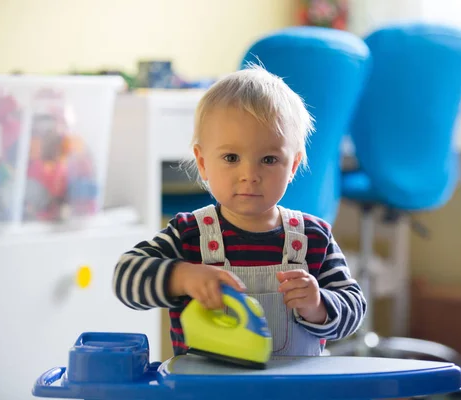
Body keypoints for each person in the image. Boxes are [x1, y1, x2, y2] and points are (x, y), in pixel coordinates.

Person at [112, 65, 366, 357]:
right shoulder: (187, 235)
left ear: (293, 165)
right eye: (231, 157)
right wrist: (182, 277)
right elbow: (124, 277)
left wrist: (319, 305)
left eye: (269, 159)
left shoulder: (313, 237)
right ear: (203, 162)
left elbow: (354, 308)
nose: (249, 174)